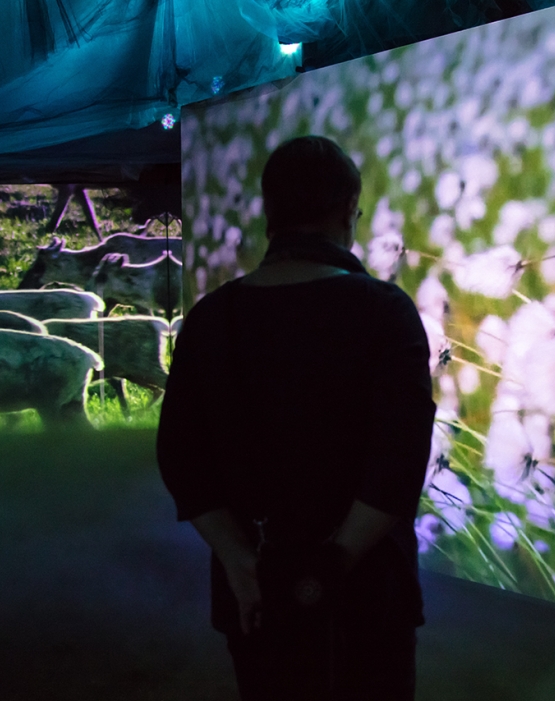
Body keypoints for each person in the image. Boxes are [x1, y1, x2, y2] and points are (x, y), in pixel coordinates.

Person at [156, 135, 436, 700]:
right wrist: (332, 567)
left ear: (270, 212)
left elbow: (181, 458)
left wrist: (240, 561)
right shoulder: (385, 311)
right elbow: (399, 463)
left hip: (253, 590)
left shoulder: (213, 318)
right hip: (368, 594)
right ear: (345, 211)